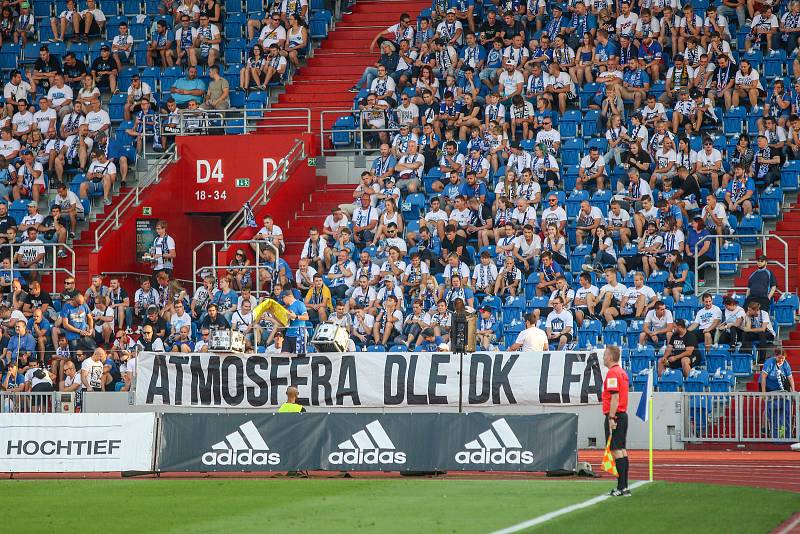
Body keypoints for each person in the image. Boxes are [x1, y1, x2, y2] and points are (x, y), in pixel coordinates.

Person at [603, 345, 630, 497]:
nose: (603, 357)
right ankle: (624, 486)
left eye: (605, 354)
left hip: (616, 415)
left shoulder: (613, 373)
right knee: (622, 450)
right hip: (622, 414)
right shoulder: (622, 372)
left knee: (616, 450)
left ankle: (621, 487)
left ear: (611, 357)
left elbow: (614, 397)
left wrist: (611, 417)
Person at [281, 284, 309, 354]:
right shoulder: (286, 307)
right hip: (288, 334)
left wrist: (295, 316)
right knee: (283, 355)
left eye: (283, 298)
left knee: (298, 357)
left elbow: (306, 317)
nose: (282, 300)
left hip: (298, 334)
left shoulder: (299, 304)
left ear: (289, 296)